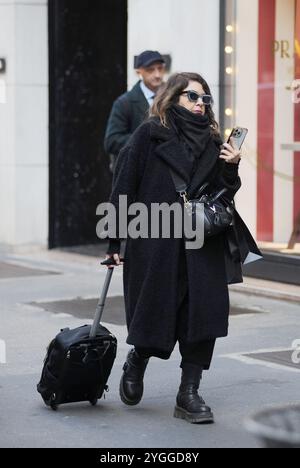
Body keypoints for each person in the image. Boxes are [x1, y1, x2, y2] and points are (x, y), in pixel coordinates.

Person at [104, 72, 244, 424]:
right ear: (173, 99)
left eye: (205, 100)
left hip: (201, 243)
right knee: (156, 311)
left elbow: (221, 197)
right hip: (156, 241)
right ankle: (138, 359)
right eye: (192, 98)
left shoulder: (214, 144)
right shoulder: (148, 136)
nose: (200, 105)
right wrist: (115, 240)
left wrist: (230, 169)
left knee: (202, 318)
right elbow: (123, 186)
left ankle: (189, 393)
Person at [104, 50, 166, 173]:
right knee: (123, 194)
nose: (157, 74)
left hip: (161, 173)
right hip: (131, 173)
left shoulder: (172, 98)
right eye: (151, 70)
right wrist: (145, 139)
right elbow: (111, 141)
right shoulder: (124, 102)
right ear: (139, 72)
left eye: (160, 69)